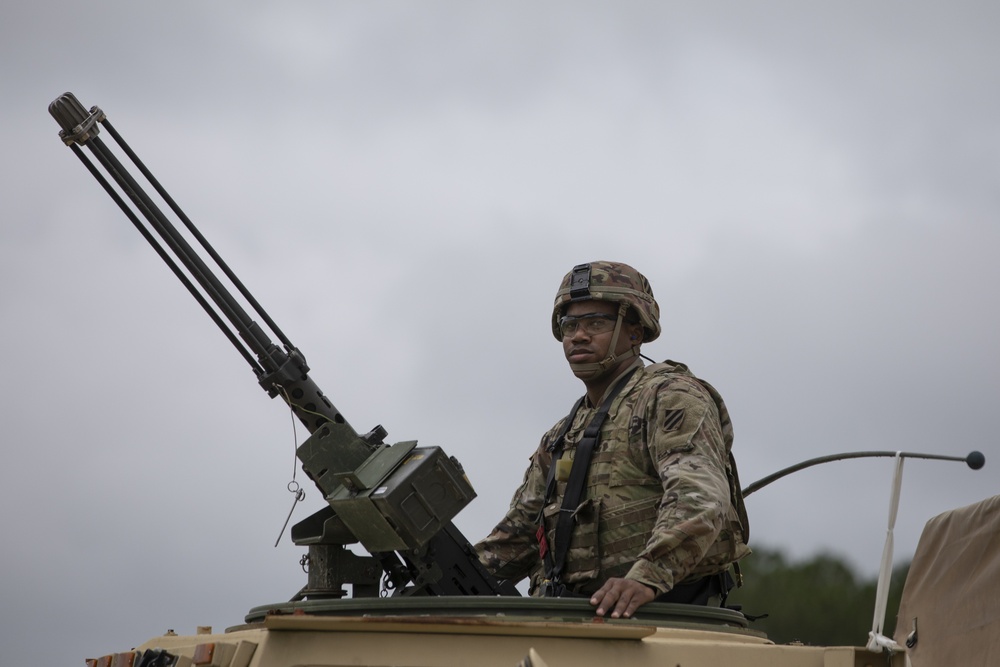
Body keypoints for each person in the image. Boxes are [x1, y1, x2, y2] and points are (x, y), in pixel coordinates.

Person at [476, 261, 750, 619]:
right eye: (569, 325)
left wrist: (646, 577)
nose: (578, 336)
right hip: (570, 621)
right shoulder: (562, 435)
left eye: (596, 323)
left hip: (663, 618)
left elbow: (698, 497)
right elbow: (520, 537)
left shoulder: (668, 398)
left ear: (634, 332)